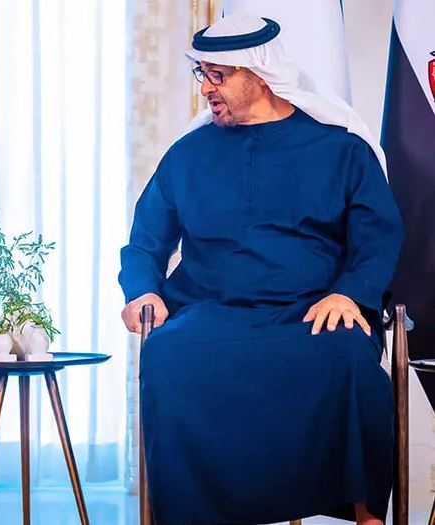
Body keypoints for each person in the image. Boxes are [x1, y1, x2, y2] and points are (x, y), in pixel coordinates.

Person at [119, 14, 403, 525]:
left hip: (311, 310)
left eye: (218, 76)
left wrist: (350, 292)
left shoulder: (341, 150)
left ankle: (367, 517)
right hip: (210, 310)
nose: (206, 88)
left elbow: (378, 236)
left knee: (349, 358)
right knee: (168, 354)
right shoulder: (187, 155)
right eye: (202, 74)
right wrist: (143, 291)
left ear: (259, 74)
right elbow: (145, 241)